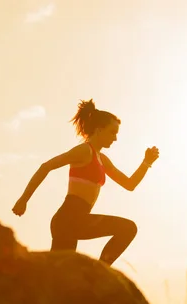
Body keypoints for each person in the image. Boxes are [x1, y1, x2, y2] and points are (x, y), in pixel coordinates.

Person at [11, 99, 159, 266]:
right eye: (112, 132)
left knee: (59, 277)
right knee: (127, 228)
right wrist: (23, 200)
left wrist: (146, 163)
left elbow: (129, 184)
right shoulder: (83, 151)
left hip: (76, 220)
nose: (115, 138)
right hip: (69, 219)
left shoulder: (102, 159)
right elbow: (46, 167)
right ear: (99, 130)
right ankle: (101, 269)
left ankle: (100, 270)